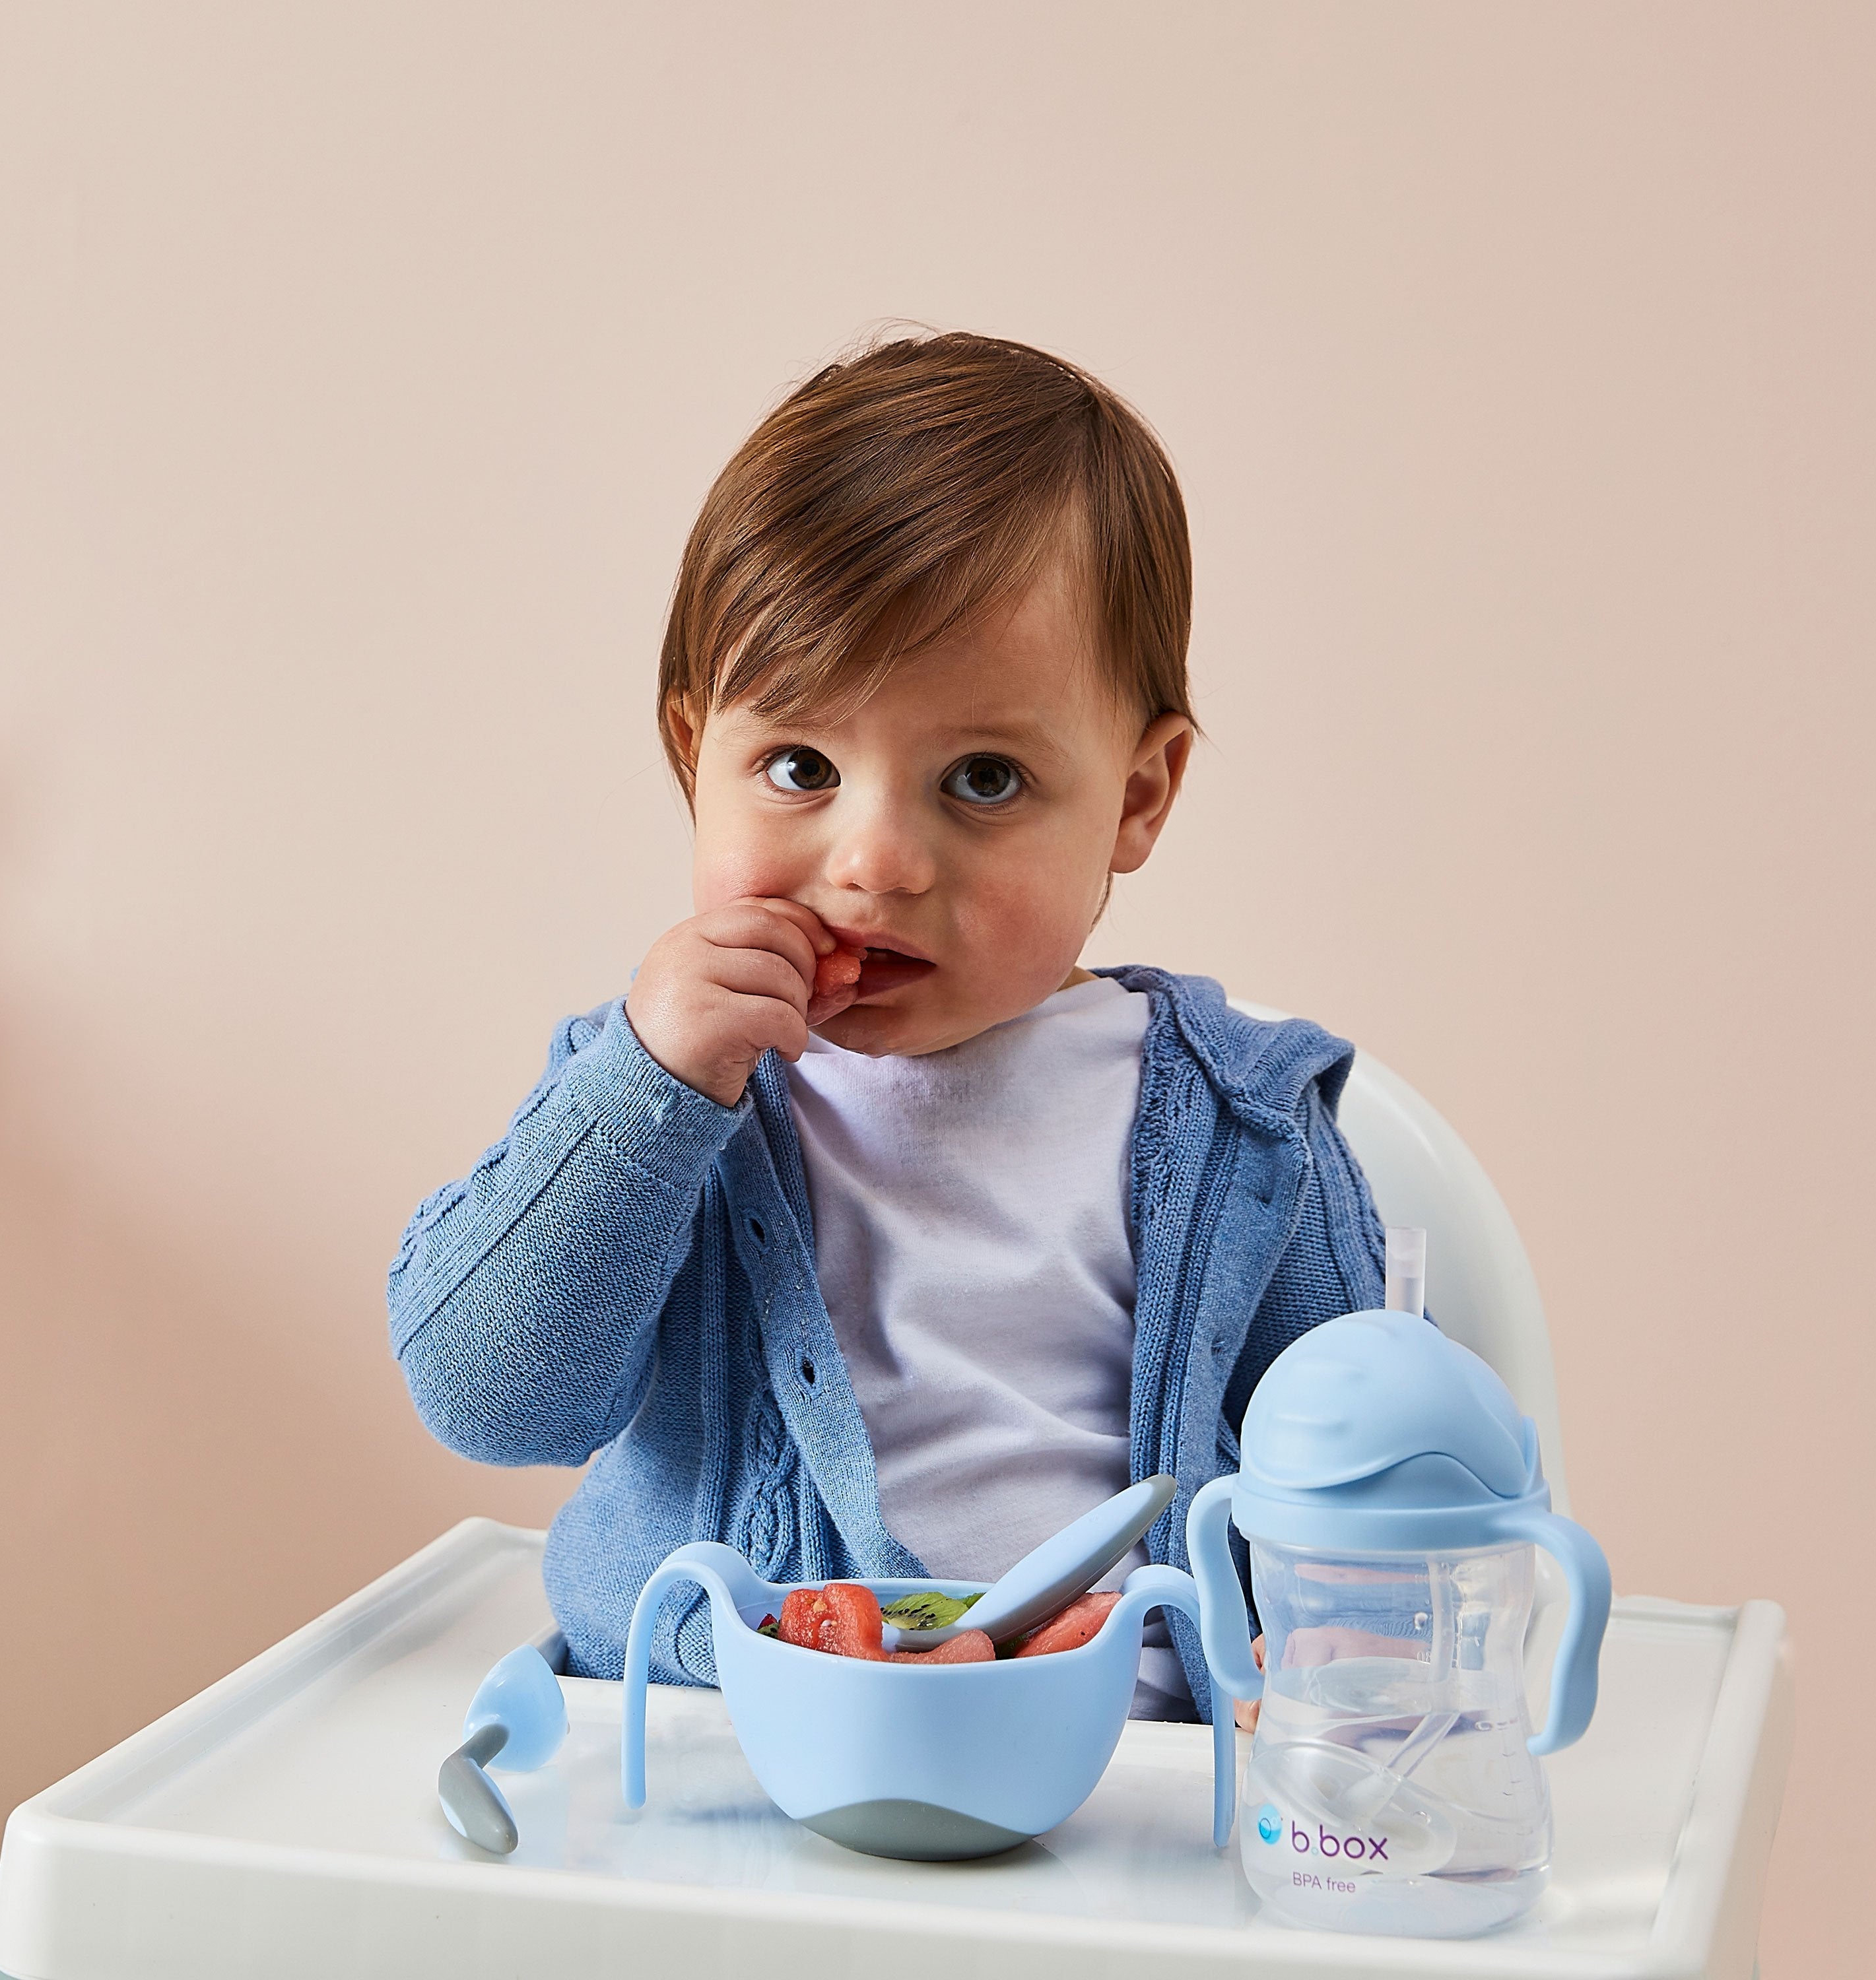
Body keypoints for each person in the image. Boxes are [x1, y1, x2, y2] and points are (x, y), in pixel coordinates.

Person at [387, 331, 1385, 1723]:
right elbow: (491, 1402)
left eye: (983, 777)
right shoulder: (655, 1092)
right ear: (697, 756)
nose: (876, 860)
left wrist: (1333, 1662)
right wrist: (649, 1090)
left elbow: (1356, 1469)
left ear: (1140, 798)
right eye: (799, 766)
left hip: (1113, 1769)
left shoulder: (1245, 1124)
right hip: (719, 1743)